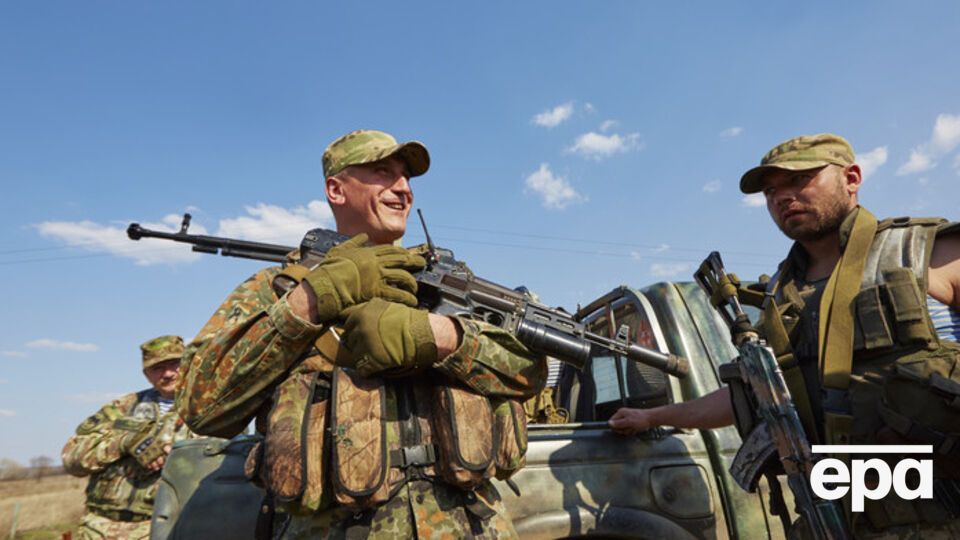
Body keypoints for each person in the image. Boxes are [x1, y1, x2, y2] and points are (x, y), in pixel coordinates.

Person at [176, 129, 546, 539]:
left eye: (406, 176)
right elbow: (201, 404)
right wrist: (314, 300)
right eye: (382, 171)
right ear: (336, 189)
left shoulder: (448, 285)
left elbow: (528, 373)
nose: (402, 188)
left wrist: (441, 336)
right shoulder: (281, 286)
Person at [609, 133, 960, 536]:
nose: (782, 197)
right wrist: (652, 416)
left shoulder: (926, 252)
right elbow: (757, 394)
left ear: (852, 178)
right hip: (836, 519)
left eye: (800, 179)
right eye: (771, 190)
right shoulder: (781, 295)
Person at [62, 335, 194, 540]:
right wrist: (122, 443)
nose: (167, 373)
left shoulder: (206, 409)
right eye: (157, 368)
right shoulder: (123, 407)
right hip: (97, 528)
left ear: (188, 364)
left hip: (165, 528)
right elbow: (71, 459)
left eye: (174, 364)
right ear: (146, 374)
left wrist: (179, 459)